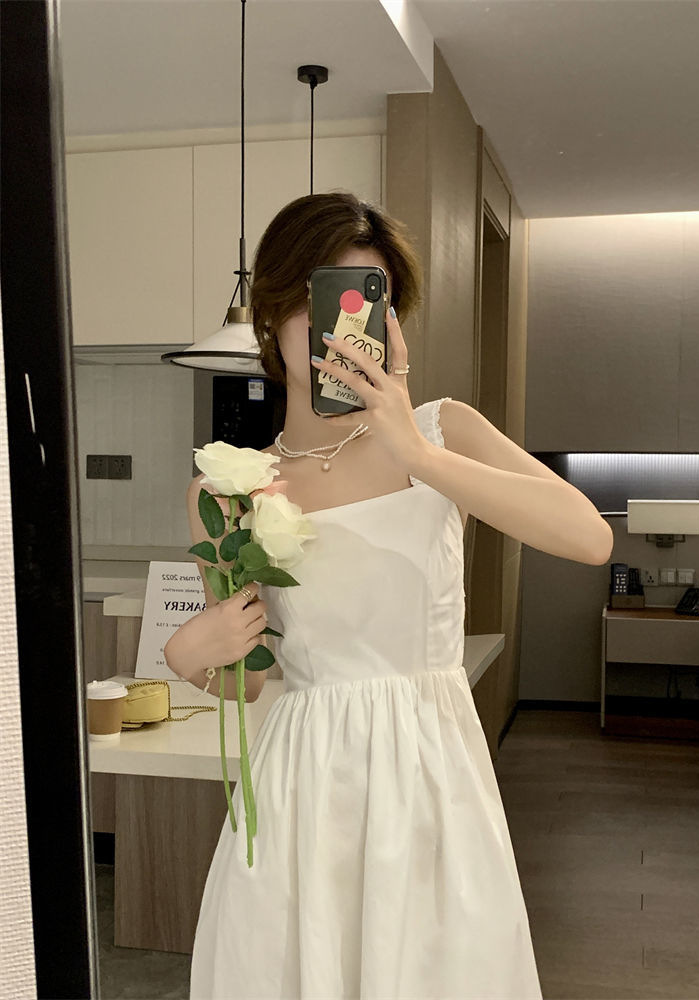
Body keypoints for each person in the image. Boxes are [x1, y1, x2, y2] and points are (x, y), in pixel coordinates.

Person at [165, 192, 613, 1000]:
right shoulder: (228, 488)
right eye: (315, 300)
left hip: (430, 778)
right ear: (271, 314)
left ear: (388, 322)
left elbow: (588, 537)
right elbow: (250, 681)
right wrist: (191, 655)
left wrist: (415, 450)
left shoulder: (444, 432)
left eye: (360, 302)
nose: (337, 328)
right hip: (302, 791)